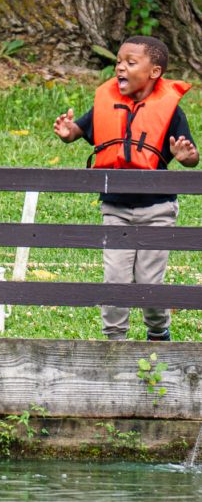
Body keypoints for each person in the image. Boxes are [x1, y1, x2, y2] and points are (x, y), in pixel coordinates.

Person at [53, 35, 198, 341]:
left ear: (154, 72)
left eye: (131, 63)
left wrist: (187, 156)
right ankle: (114, 343)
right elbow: (79, 130)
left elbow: (190, 156)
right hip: (115, 209)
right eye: (119, 61)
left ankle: (158, 334)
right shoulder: (107, 104)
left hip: (157, 209)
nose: (120, 67)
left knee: (149, 283)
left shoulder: (170, 111)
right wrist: (68, 133)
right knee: (115, 280)